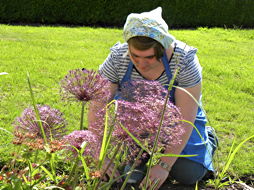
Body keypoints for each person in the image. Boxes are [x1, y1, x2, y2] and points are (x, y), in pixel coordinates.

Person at [88, 7, 218, 190]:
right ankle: (141, 158)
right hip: (135, 122)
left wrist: (164, 165)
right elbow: (97, 106)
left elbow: (185, 120)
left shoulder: (185, 61)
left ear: (163, 48)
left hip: (178, 120)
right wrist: (99, 154)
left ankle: (209, 139)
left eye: (149, 57)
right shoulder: (117, 58)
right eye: (135, 55)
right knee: (129, 174)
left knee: (188, 173)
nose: (141, 63)